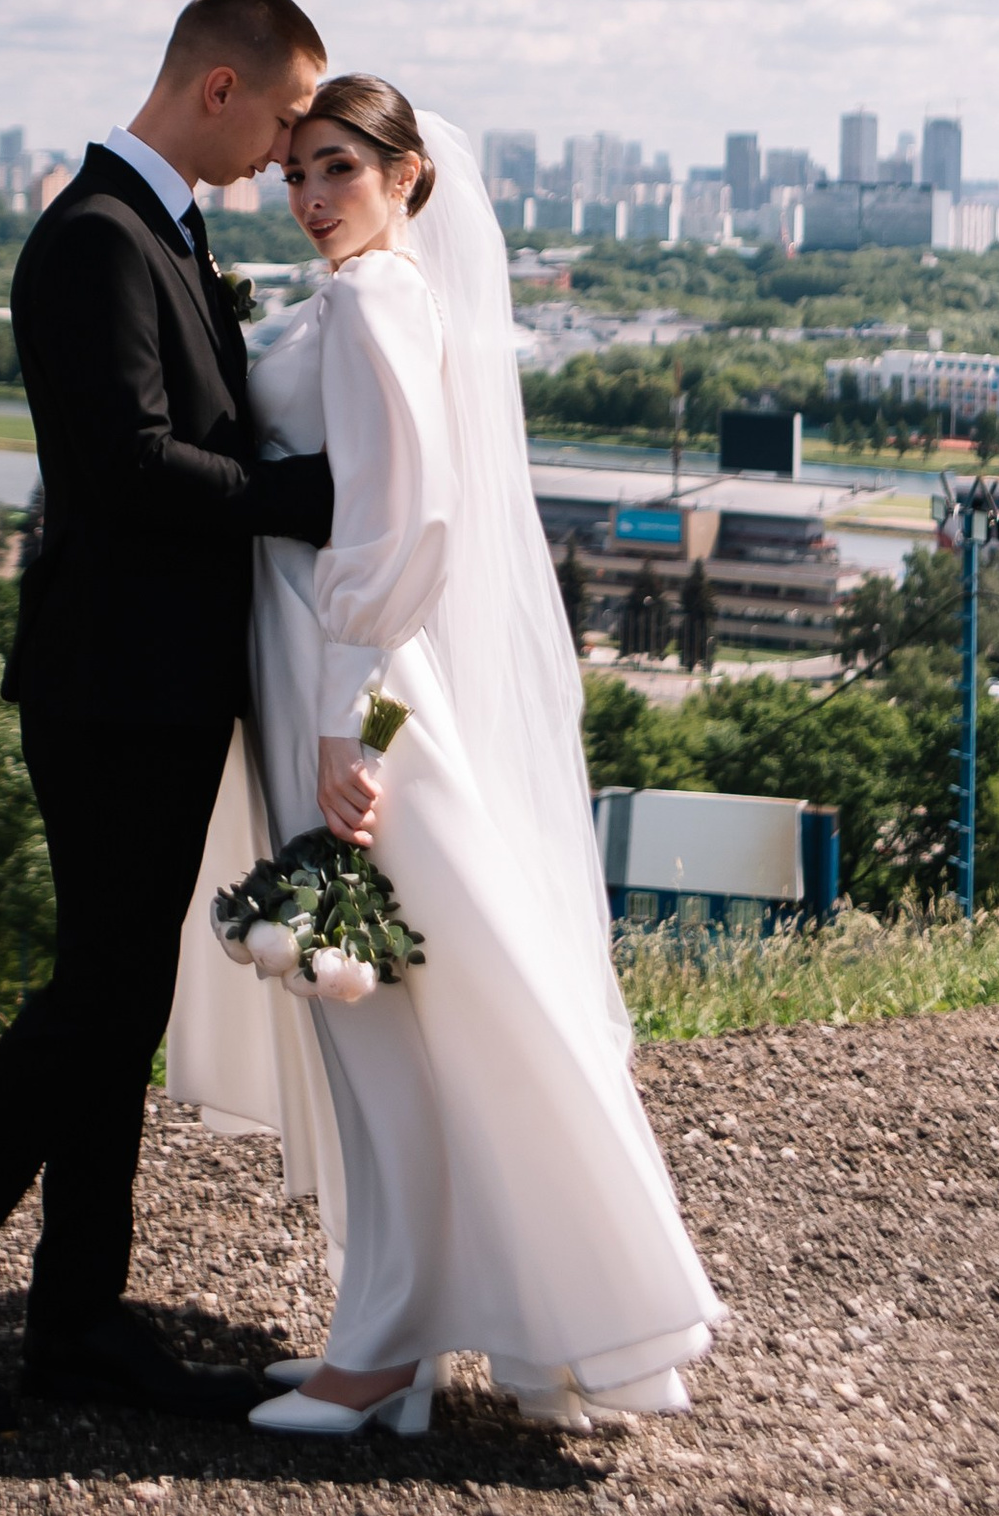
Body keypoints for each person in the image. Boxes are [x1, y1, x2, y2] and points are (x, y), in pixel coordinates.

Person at [165, 80, 720, 1438]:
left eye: (340, 169)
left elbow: (404, 525)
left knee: (379, 1019)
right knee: (389, 1011)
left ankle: (384, 1353)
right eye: (297, 172)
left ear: (408, 176)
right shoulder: (366, 297)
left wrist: (344, 726)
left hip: (346, 688)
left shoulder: (374, 303)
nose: (311, 197)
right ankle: (392, 1337)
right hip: (330, 676)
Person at [0, 0, 339, 1431]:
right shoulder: (96, 237)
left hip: (155, 680)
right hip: (110, 683)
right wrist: (310, 497)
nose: (287, 153)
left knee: (123, 1003)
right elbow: (130, 468)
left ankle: (79, 1321)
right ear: (221, 87)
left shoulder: (163, 229)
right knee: (97, 999)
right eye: (285, 117)